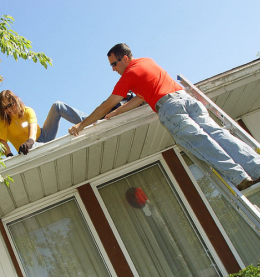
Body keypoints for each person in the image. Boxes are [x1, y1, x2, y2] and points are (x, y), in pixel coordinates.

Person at [68, 43, 260, 191]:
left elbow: (105, 106)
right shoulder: (147, 62)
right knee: (217, 133)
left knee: (201, 141)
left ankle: (239, 178)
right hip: (186, 99)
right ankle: (255, 168)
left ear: (124, 58)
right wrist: (118, 112)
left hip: (170, 108)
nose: (112, 69)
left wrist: (81, 125)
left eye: (113, 64)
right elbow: (141, 97)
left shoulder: (128, 75)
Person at [0, 90, 88, 156]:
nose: (8, 110)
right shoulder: (3, 120)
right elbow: (2, 140)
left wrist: (30, 141)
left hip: (44, 136)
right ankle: (49, 149)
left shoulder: (27, 111)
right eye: (5, 108)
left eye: (9, 105)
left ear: (15, 101)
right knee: (30, 148)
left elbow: (33, 127)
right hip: (28, 149)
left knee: (57, 106)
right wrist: (9, 155)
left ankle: (90, 120)